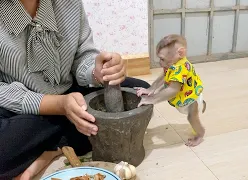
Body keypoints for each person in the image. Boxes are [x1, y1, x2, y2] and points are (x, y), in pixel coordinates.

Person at [0, 0, 150, 179]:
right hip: (18, 107)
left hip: (70, 94)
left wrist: (97, 72)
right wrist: (58, 105)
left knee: (143, 92)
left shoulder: (68, 3)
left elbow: (83, 55)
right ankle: (62, 143)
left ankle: (49, 146)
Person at [136, 34, 206, 147]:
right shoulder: (172, 62)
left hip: (191, 98)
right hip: (184, 97)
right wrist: (150, 89)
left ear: (180, 53)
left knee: (192, 118)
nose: (160, 63)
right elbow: (164, 75)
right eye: (159, 58)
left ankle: (200, 134)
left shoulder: (181, 68)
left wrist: (151, 99)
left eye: (162, 59)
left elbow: (173, 90)